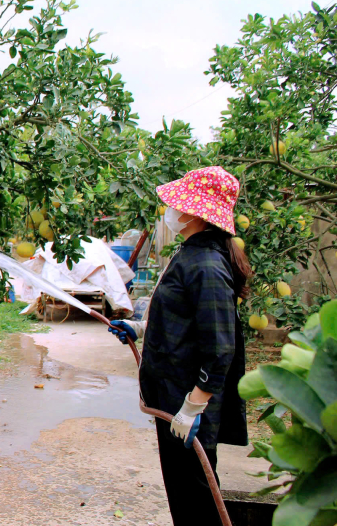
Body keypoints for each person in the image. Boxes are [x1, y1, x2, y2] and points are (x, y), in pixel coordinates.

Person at [108, 166, 251, 526]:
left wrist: (192, 407)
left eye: (178, 202)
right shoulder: (192, 254)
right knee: (184, 497)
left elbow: (220, 347)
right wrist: (140, 328)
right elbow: (184, 317)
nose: (170, 209)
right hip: (173, 399)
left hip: (186, 407)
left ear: (194, 212)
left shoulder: (206, 265)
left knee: (196, 502)